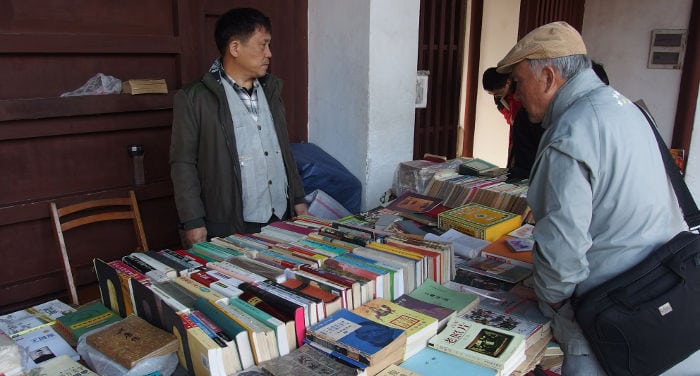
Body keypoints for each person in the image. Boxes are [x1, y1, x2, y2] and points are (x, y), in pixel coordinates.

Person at [496, 22, 686, 375]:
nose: (517, 95)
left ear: (549, 77)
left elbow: (561, 251)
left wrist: (556, 303)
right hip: (654, 290)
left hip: (605, 311)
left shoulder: (570, 134)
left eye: (520, 83)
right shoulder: (623, 107)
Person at [170, 8, 308, 249]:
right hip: (232, 222)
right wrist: (192, 220)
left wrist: (297, 198)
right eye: (262, 45)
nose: (269, 54)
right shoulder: (195, 97)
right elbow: (183, 162)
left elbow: (282, 149)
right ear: (235, 48)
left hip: (280, 216)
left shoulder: (271, 91)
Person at [482, 67, 544, 180]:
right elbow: (508, 117)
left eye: (497, 93)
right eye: (493, 94)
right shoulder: (500, 98)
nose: (496, 96)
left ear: (508, 82)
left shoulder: (522, 94)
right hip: (516, 131)